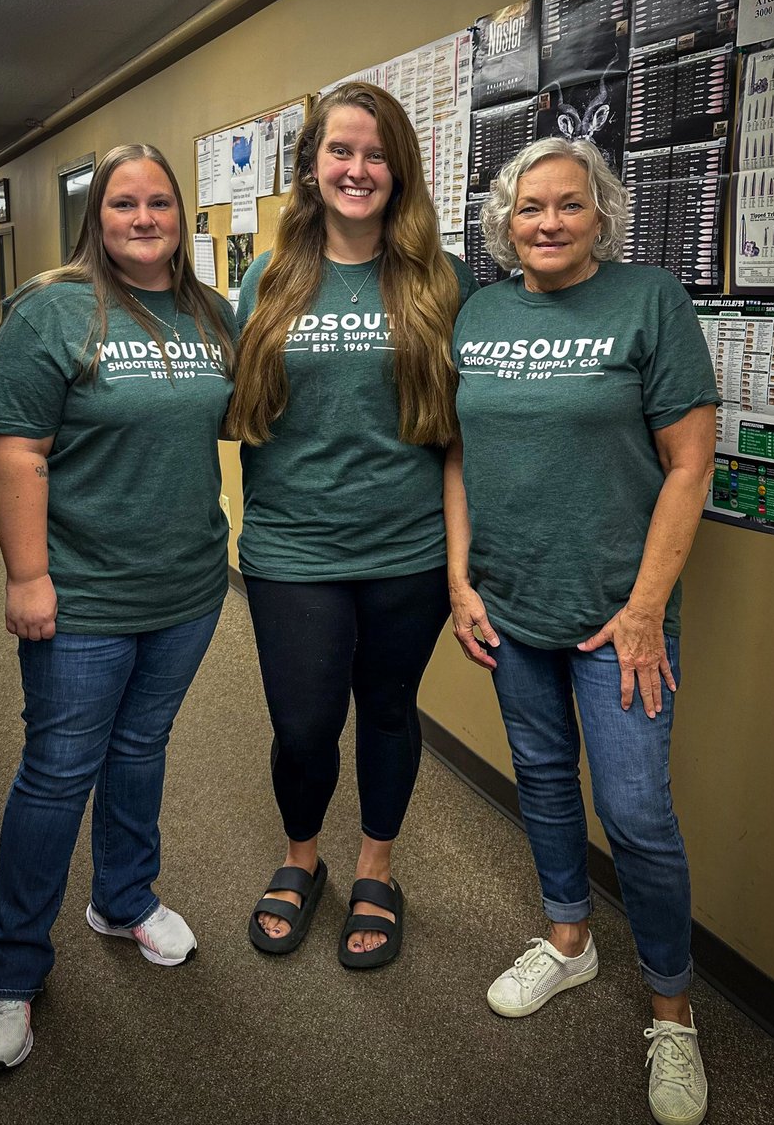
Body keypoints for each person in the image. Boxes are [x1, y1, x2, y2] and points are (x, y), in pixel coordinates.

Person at [444, 137, 719, 1125]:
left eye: (569, 204)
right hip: (511, 604)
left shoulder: (649, 301)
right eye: (529, 208)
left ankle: (672, 1011)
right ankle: (568, 939)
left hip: (616, 615)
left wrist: (645, 610)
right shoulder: (479, 314)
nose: (548, 222)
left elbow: (689, 463)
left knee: (637, 817)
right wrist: (459, 581)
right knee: (543, 777)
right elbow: (457, 455)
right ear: (504, 222)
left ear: (601, 214)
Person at [0, 143, 235, 1069]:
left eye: (159, 201)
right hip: (80, 593)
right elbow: (15, 451)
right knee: (56, 771)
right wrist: (27, 576)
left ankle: (122, 899)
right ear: (98, 217)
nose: (143, 218)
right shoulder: (50, 309)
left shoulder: (210, 313)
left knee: (140, 747)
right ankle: (10, 969)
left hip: (187, 588)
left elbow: (234, 418)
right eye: (124, 203)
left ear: (180, 214)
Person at [227, 82, 478, 968]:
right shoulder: (268, 275)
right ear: (311, 167)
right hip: (291, 545)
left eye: (375, 154)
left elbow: (466, 427)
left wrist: (463, 564)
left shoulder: (440, 280)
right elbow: (229, 398)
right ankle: (302, 858)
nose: (357, 169)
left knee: (386, 707)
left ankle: (377, 867)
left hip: (407, 548)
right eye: (340, 151)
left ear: (398, 170)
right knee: (302, 725)